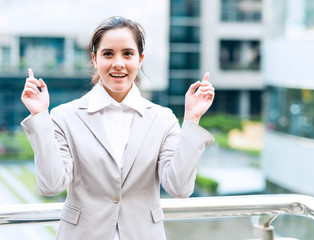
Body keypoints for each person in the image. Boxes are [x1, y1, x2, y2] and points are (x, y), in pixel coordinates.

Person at [20, 16, 215, 240]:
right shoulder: (64, 117)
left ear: (140, 59)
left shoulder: (163, 119)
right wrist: (39, 116)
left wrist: (192, 119)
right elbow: (51, 185)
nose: (118, 63)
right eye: (108, 53)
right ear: (94, 59)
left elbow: (179, 188)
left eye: (128, 53)